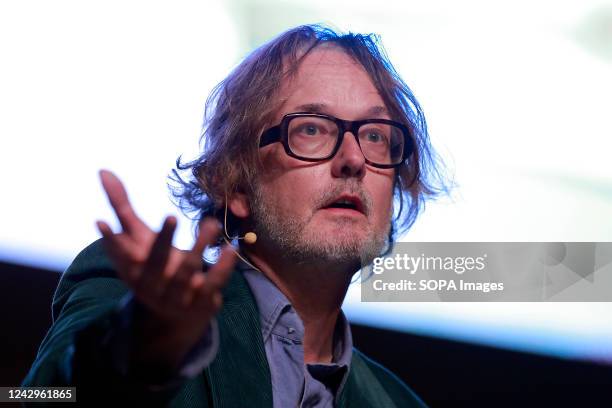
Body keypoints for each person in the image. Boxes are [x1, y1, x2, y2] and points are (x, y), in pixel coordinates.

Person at [23, 24, 445, 407]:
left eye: (375, 136)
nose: (354, 159)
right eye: (312, 129)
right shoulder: (138, 302)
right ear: (235, 185)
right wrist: (142, 351)